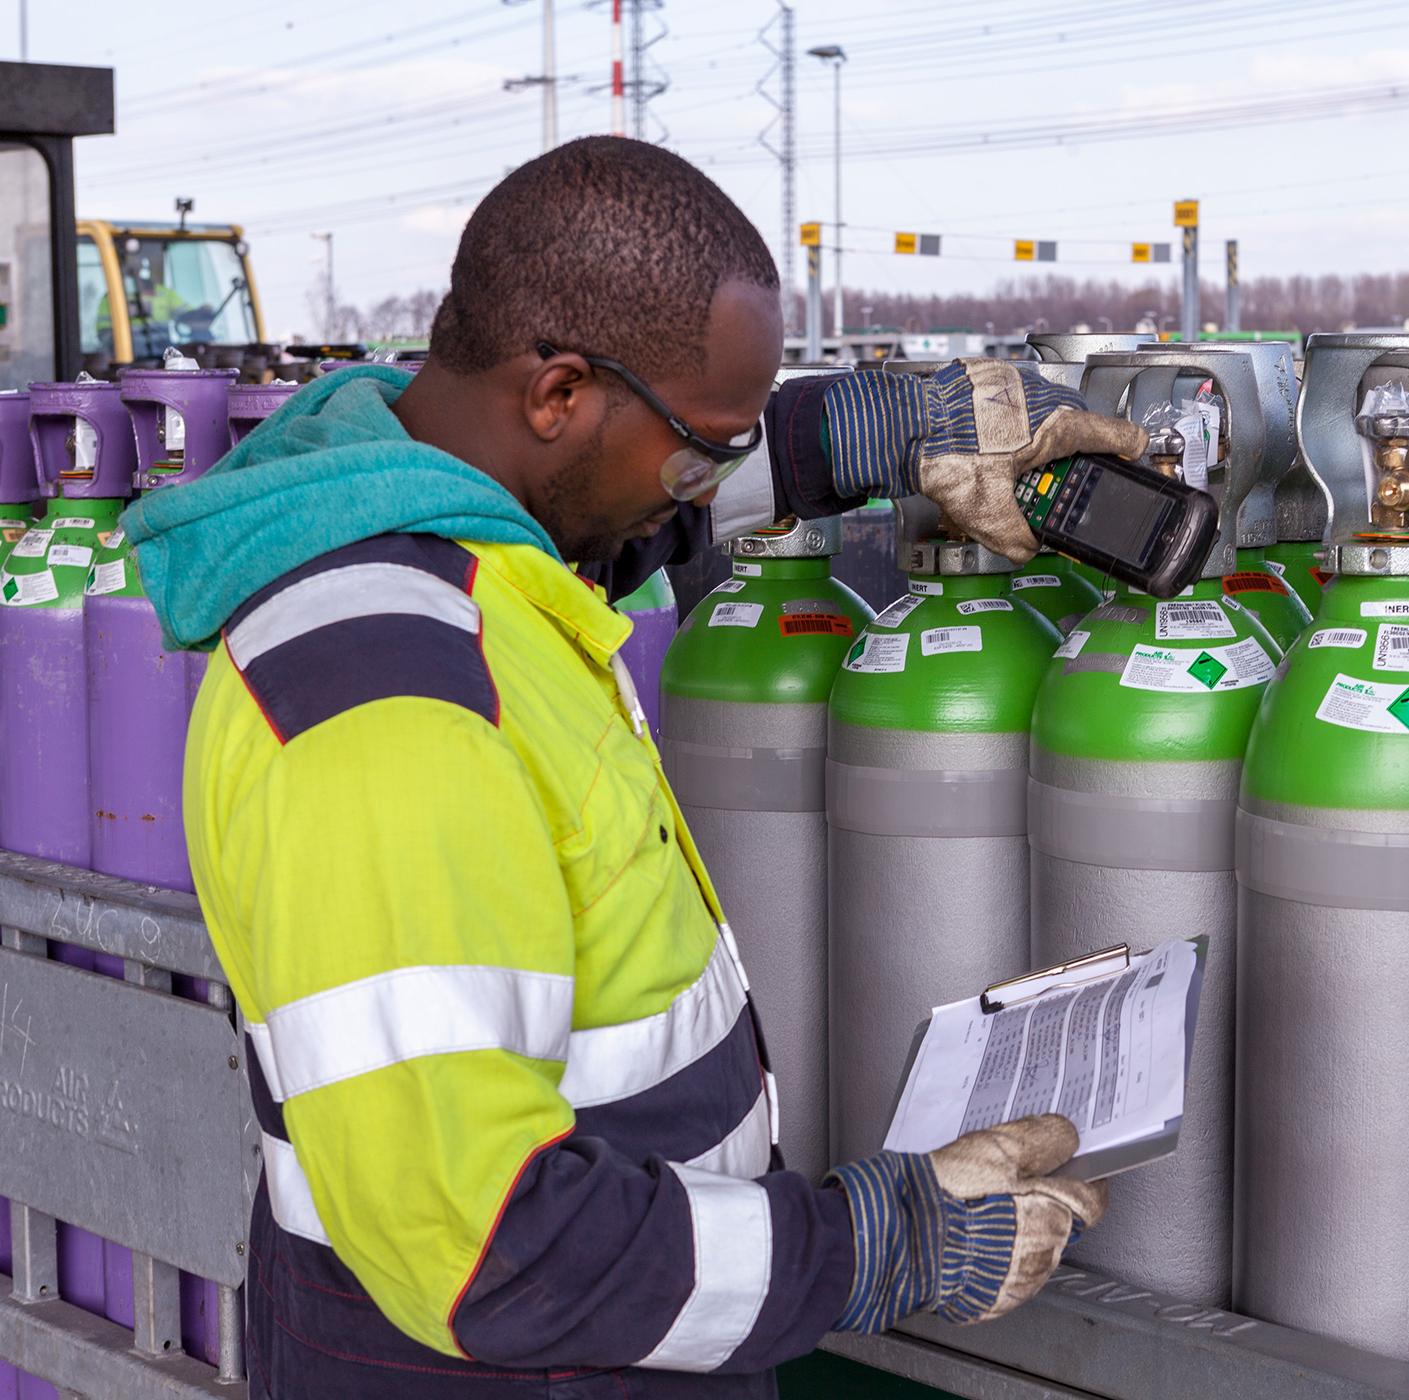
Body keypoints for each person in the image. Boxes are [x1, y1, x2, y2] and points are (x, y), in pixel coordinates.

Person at [124, 137, 1145, 1399]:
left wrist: (886, 429)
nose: (704, 491)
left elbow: (631, 498)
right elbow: (491, 1249)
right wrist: (882, 1240)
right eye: (700, 452)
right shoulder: (390, 704)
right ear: (555, 394)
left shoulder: (460, 536)